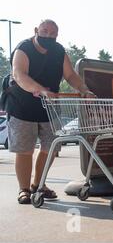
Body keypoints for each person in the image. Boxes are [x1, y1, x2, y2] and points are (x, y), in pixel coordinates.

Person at [6, 20, 95, 204]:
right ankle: (23, 190)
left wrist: (84, 89)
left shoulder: (59, 51)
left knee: (50, 148)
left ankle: (38, 184)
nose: (48, 35)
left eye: (53, 33)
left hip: (50, 105)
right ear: (36, 30)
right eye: (44, 31)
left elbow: (70, 75)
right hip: (22, 105)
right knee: (25, 150)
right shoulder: (23, 48)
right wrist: (41, 90)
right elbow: (19, 74)